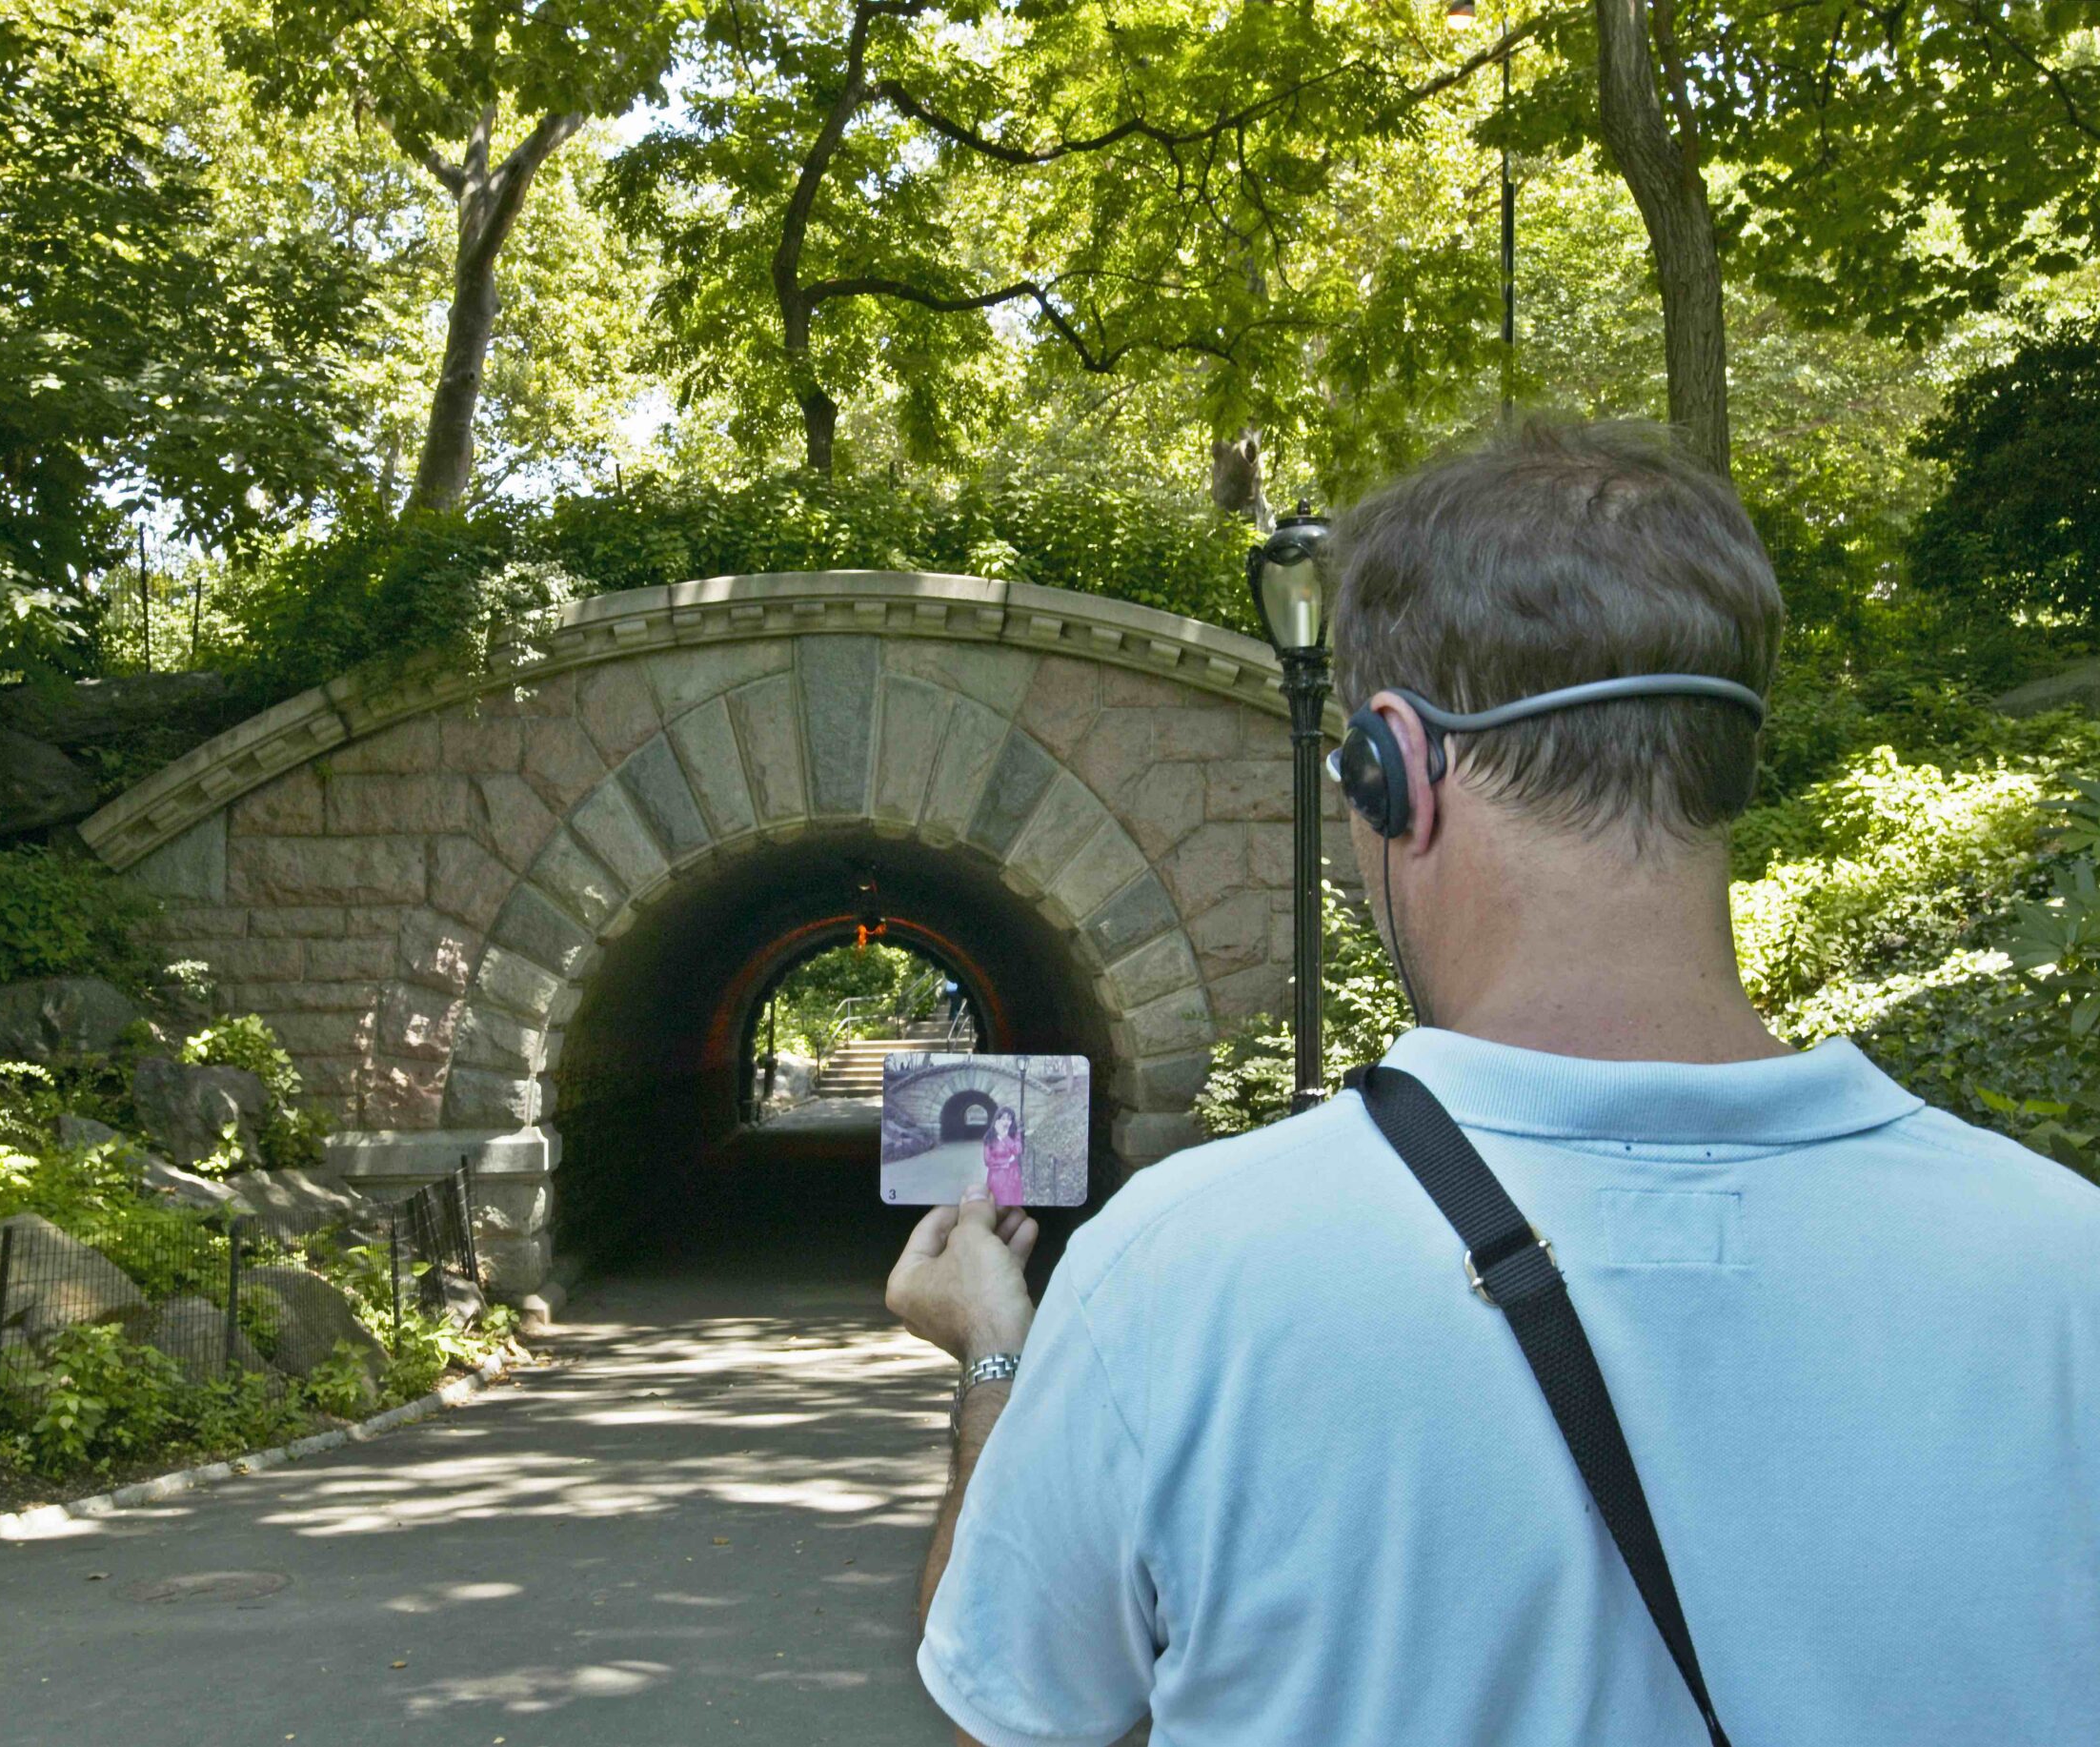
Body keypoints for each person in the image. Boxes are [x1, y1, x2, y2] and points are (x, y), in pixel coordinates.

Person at [884, 420, 2100, 1745]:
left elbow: (1006, 1718)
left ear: (1395, 766)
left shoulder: (1183, 1276)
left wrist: (1001, 1353)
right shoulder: (2065, 1269)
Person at [980, 1107, 1023, 1206]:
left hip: (1013, 1176)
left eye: (1009, 1119)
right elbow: (988, 1160)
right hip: (996, 1177)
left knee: (1014, 1204)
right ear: (997, 1120)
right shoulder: (989, 1136)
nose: (1006, 1122)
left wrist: (1004, 1136)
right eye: (1003, 1118)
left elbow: (1017, 1150)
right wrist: (1007, 1162)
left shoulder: (1016, 1134)